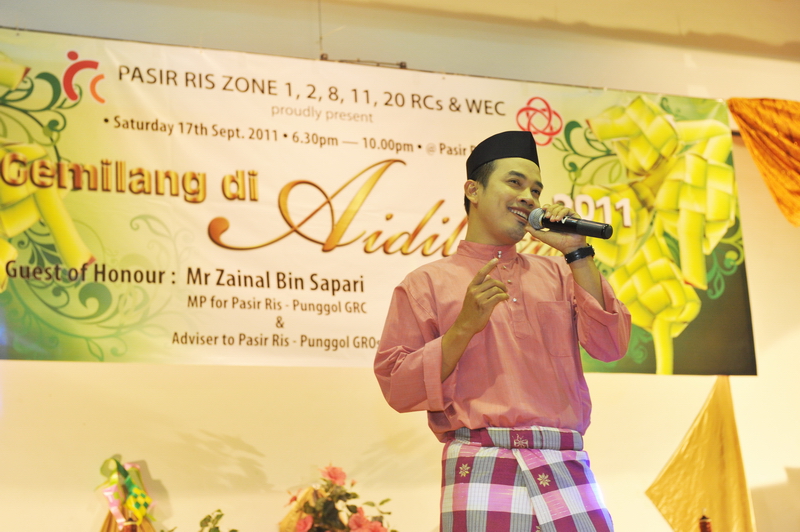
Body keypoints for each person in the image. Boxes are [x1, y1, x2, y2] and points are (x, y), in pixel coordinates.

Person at [373, 131, 631, 532]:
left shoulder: (560, 273)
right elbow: (397, 387)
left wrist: (577, 252)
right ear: (473, 191)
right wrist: (462, 328)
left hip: (564, 461)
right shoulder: (426, 284)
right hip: (479, 460)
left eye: (536, 190)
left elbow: (611, 346)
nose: (529, 197)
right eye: (515, 183)